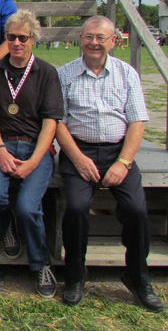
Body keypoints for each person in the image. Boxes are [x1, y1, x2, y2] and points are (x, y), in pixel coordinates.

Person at [56, 16, 163, 312]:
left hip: (118, 151)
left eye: (101, 37)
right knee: (76, 208)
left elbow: (137, 121)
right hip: (79, 150)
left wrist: (124, 162)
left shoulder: (127, 73)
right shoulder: (64, 74)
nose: (94, 42)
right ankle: (76, 276)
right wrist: (78, 158)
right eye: (89, 36)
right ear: (80, 38)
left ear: (113, 41)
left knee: (137, 210)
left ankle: (138, 277)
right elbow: (58, 123)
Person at [0, 10, 64, 298]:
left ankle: (41, 264)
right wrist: (0, 150)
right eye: (11, 37)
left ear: (33, 41)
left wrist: (35, 161)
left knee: (29, 208)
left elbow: (51, 123)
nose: (16, 43)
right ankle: (6, 229)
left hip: (35, 147)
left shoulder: (46, 72)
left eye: (22, 38)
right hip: (2, 145)